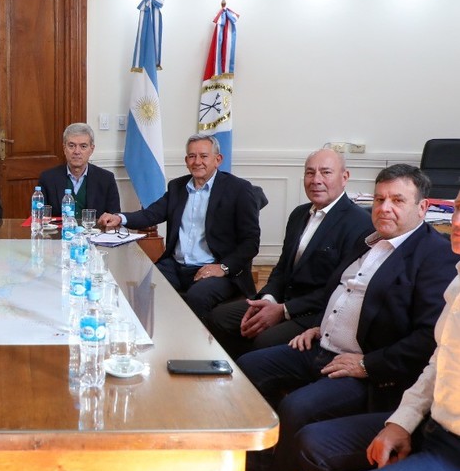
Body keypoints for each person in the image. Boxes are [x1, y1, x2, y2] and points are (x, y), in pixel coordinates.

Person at [231, 164, 458, 471]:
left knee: (297, 408)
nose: (385, 208)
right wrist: (320, 325)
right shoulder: (368, 241)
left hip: (368, 369)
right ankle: (260, 462)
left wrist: (367, 364)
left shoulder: (434, 255)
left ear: (422, 208)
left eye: (397, 200)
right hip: (323, 346)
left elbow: (426, 340)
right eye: (380, 199)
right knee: (249, 367)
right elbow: (343, 292)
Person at [208, 149, 373, 359]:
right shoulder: (299, 214)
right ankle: (238, 368)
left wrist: (284, 310)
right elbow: (282, 269)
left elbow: (338, 290)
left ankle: (253, 369)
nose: (316, 180)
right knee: (219, 317)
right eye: (310, 173)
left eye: (326, 172)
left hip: (315, 313)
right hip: (281, 300)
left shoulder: (359, 224)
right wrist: (268, 300)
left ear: (344, 177)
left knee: (263, 340)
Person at [97, 133, 261, 320]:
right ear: (186, 161)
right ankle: (153, 332)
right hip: (175, 266)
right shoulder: (177, 187)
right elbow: (151, 214)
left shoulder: (239, 189)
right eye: (192, 156)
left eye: (203, 156)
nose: (197, 162)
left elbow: (251, 242)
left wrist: (222, 267)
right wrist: (119, 218)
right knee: (143, 286)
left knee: (197, 297)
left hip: (215, 268)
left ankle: (196, 338)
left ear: (218, 160)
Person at [38, 122, 120, 219]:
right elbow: (39, 217)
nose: (77, 152)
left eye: (83, 146)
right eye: (71, 146)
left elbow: (114, 218)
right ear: (64, 148)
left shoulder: (106, 179)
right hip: (59, 229)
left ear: (91, 149)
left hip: (94, 229)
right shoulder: (48, 178)